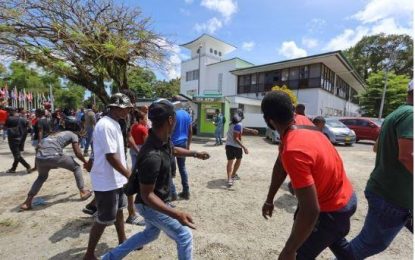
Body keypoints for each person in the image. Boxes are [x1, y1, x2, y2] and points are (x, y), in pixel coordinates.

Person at [101, 99, 210, 260]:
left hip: (152, 202)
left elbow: (174, 150)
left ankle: (109, 258)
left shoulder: (161, 140)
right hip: (148, 205)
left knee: (150, 234)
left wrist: (195, 153)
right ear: (171, 120)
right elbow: (147, 196)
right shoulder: (152, 155)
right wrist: (176, 213)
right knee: (184, 235)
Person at [261, 91, 356, 259]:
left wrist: (289, 251)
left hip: (332, 209)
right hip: (346, 197)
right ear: (292, 110)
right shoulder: (301, 121)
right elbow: (280, 164)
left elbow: (311, 211)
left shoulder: (294, 150)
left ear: (270, 121)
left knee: (299, 253)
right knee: (332, 238)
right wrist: (270, 199)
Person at [346, 81, 413, 259]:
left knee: (369, 243)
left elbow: (376, 147)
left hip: (385, 191)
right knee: (368, 244)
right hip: (392, 196)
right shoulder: (412, 115)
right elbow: (407, 156)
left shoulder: (396, 114)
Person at [83, 93, 133, 260]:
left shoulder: (116, 124)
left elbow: (118, 153)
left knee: (119, 211)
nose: (128, 111)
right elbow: (110, 156)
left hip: (117, 179)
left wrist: (125, 175)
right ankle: (89, 254)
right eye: (125, 108)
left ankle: (122, 241)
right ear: (115, 108)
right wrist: (129, 174)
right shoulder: (105, 125)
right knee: (104, 219)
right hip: (106, 180)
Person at [20, 116, 92, 210]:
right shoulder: (72, 134)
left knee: (41, 177)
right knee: (76, 167)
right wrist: (86, 162)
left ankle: (27, 202)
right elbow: (78, 153)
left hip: (40, 158)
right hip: (54, 156)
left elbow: (38, 149)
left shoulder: (54, 133)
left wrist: (36, 165)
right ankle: (83, 191)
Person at [225, 109, 259, 188]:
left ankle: (230, 177)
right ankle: (232, 176)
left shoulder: (232, 124)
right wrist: (244, 147)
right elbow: (236, 138)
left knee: (230, 162)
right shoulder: (238, 125)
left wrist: (251, 130)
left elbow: (242, 128)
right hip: (236, 146)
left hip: (229, 146)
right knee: (238, 160)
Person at [171, 108, 193, 200]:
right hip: (183, 143)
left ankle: (173, 193)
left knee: (170, 169)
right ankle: (186, 191)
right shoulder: (187, 114)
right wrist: (188, 145)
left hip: (172, 144)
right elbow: (190, 131)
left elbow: (170, 129)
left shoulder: (173, 113)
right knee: (182, 167)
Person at [5, 108, 32, 174]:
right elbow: (29, 127)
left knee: (17, 155)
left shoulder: (9, 119)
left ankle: (27, 166)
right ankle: (13, 168)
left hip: (13, 139)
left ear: (9, 112)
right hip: (22, 139)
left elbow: (5, 127)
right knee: (17, 154)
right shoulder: (23, 118)